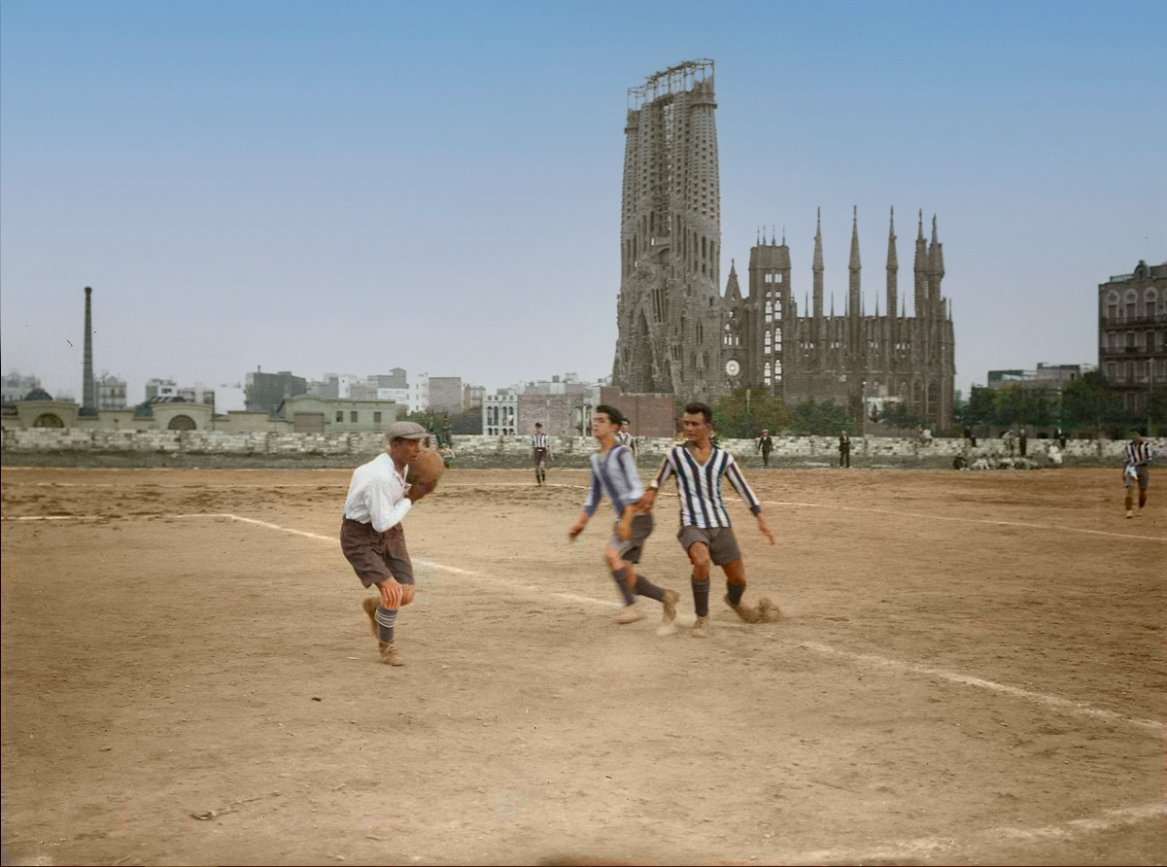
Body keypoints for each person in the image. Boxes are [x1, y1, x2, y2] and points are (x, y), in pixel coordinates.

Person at [640, 401, 778, 638]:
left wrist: (760, 518)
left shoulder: (724, 458)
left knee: (738, 579)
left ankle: (734, 601)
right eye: (686, 423)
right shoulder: (676, 455)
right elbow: (657, 480)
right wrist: (650, 492)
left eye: (695, 424)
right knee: (701, 561)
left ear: (708, 427)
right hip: (692, 524)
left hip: (721, 524)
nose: (689, 428)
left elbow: (743, 488)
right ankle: (701, 617)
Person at [569, 405, 679, 631]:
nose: (595, 423)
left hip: (638, 518)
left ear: (614, 426)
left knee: (611, 555)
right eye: (594, 419)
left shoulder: (622, 453)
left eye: (601, 420)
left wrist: (626, 521)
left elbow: (636, 491)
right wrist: (581, 521)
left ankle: (631, 607)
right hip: (627, 519)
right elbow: (595, 494)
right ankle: (666, 596)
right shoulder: (596, 459)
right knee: (628, 578)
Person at [340, 421, 434, 667]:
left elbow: (387, 521)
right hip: (360, 535)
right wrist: (412, 498)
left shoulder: (401, 466)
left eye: (420, 443)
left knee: (407, 594)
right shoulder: (379, 476)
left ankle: (376, 608)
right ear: (394, 445)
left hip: (390, 531)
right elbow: (381, 522)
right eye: (412, 443)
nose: (418, 449)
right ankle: (387, 646)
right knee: (392, 592)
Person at [1123, 430, 1152, 519]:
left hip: (1143, 468)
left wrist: (1138, 463)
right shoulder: (1128, 446)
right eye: (1133, 434)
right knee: (1129, 489)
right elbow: (1127, 459)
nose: (1134, 436)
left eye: (1136, 434)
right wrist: (1124, 471)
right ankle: (1129, 511)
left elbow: (1148, 458)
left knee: (1142, 491)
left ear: (1140, 435)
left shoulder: (1146, 445)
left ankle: (1140, 508)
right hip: (1131, 468)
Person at [531, 422, 551, 486]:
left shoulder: (545, 436)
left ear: (541, 428)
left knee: (542, 466)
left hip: (543, 450)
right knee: (536, 468)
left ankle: (544, 482)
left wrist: (547, 451)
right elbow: (533, 445)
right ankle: (539, 483)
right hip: (536, 451)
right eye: (537, 428)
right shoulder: (534, 436)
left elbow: (547, 445)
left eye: (539, 428)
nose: (538, 430)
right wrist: (532, 453)